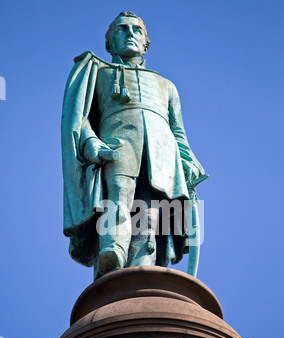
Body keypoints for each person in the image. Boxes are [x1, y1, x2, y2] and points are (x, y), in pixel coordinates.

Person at [61, 12, 207, 279]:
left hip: (162, 154)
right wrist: (91, 142)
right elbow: (79, 118)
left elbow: (178, 131)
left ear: (145, 43)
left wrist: (188, 162)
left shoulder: (167, 86)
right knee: (117, 195)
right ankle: (112, 250)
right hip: (117, 144)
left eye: (136, 30)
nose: (130, 34)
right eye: (122, 29)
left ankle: (143, 268)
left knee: (151, 213)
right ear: (110, 43)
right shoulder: (98, 73)